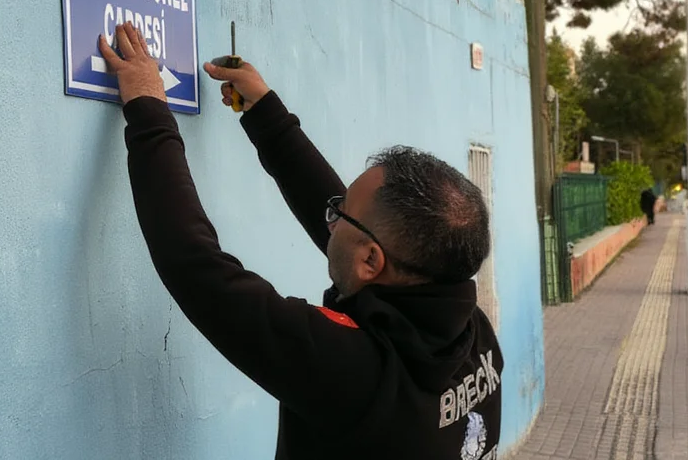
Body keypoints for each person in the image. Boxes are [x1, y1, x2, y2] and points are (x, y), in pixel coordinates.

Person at [98, 22, 504, 460]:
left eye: (340, 212)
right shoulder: (468, 330)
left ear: (372, 262)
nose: (329, 218)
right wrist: (267, 117)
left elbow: (196, 269)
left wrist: (148, 110)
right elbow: (354, 236)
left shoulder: (353, 372)